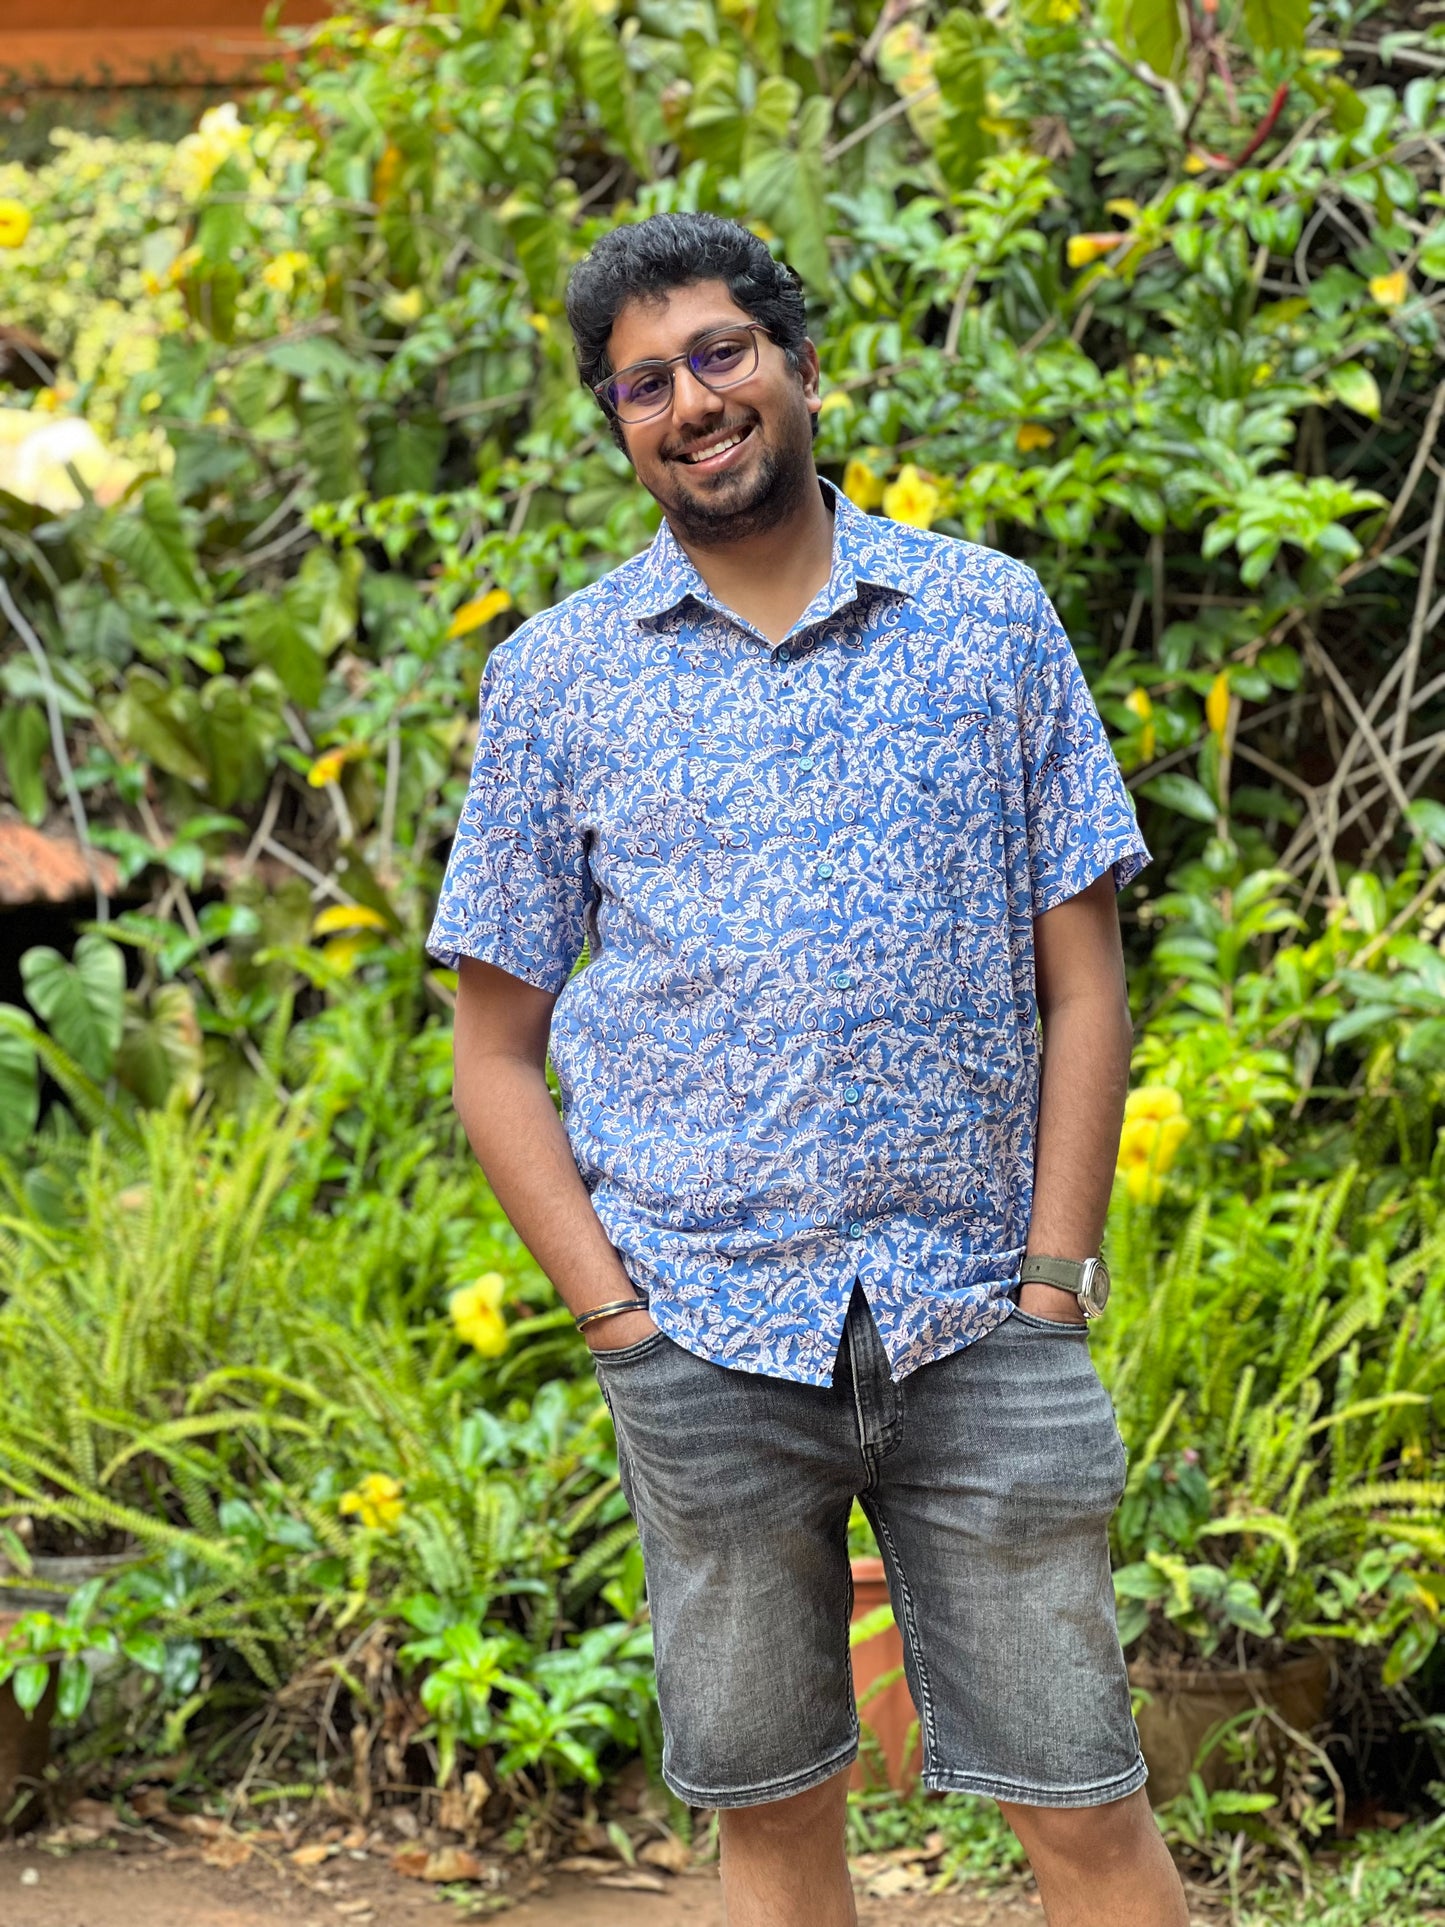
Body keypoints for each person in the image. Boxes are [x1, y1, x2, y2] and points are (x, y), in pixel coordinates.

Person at [429, 211, 1189, 1927]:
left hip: (978, 1321)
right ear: (616, 425)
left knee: (1082, 1804)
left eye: (720, 354)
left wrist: (1052, 1286)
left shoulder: (985, 622)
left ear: (798, 366)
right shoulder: (555, 680)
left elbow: (1085, 986)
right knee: (771, 1819)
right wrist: (618, 1324)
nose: (692, 402)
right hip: (703, 1339)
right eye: (644, 383)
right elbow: (492, 1053)